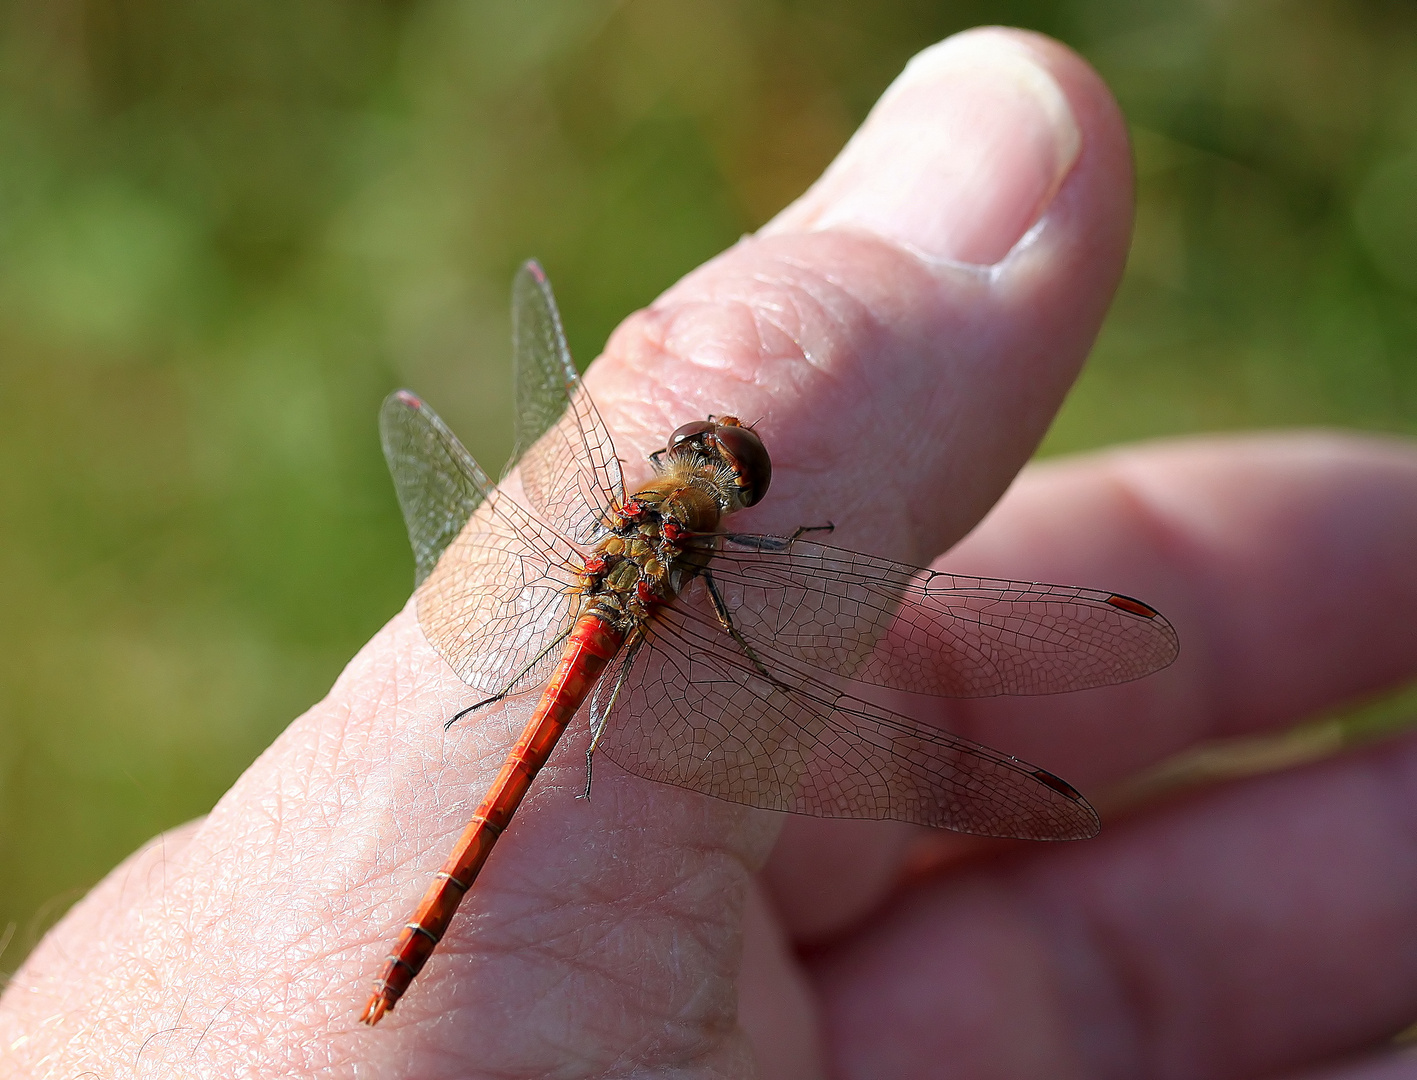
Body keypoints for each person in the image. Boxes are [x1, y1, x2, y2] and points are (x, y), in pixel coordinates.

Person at [4, 26, 1416, 1079]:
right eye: (724, 471)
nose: (715, 471)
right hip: (603, 676)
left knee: (540, 722)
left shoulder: (619, 521)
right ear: (725, 507)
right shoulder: (718, 562)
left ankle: (398, 964)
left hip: (563, 649)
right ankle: (399, 975)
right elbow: (753, 646)